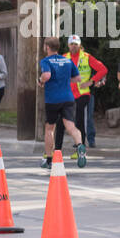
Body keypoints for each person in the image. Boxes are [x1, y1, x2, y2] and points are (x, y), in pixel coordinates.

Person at [38, 36, 86, 168]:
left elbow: (46, 75)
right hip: (68, 98)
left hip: (53, 99)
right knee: (71, 126)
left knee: (49, 129)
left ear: (47, 47)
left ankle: (48, 160)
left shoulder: (46, 61)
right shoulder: (68, 61)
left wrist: (41, 81)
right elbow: (77, 78)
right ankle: (80, 146)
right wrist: (64, 80)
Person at [67, 34, 106, 150]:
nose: (74, 46)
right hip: (69, 94)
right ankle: (78, 141)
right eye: (71, 44)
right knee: (73, 119)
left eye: (76, 44)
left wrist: (91, 82)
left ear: (80, 45)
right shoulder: (64, 57)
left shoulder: (86, 57)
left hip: (84, 93)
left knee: (85, 119)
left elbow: (103, 70)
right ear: (68, 45)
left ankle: (86, 142)